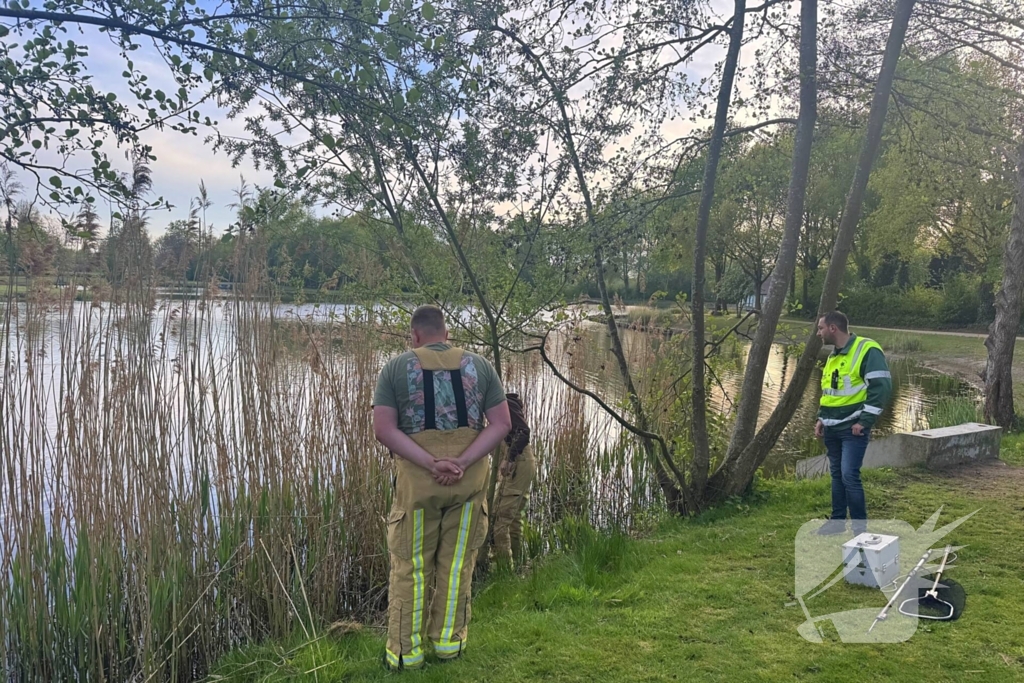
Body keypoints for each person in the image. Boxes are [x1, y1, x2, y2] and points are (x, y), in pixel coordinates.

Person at [373, 305, 511, 670]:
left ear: (415, 336)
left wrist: (431, 463)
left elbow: (384, 430)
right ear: (446, 334)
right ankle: (449, 645)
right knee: (456, 566)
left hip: (419, 488)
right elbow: (500, 424)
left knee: (411, 568)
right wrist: (463, 463)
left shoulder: (395, 368)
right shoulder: (480, 366)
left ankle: (405, 655)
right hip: (469, 486)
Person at [814, 311, 893, 535]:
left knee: (850, 475)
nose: (818, 333)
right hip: (832, 426)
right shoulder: (834, 356)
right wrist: (821, 418)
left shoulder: (867, 349)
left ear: (832, 328)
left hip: (852, 428)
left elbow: (882, 387)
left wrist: (865, 420)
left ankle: (860, 530)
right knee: (837, 475)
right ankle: (837, 523)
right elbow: (830, 391)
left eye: (820, 328)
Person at [492, 392, 535, 567]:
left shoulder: (505, 402)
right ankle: (517, 564)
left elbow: (523, 432)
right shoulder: (498, 401)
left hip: (519, 463)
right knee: (514, 519)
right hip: (523, 462)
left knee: (500, 519)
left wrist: (509, 458)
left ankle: (504, 569)